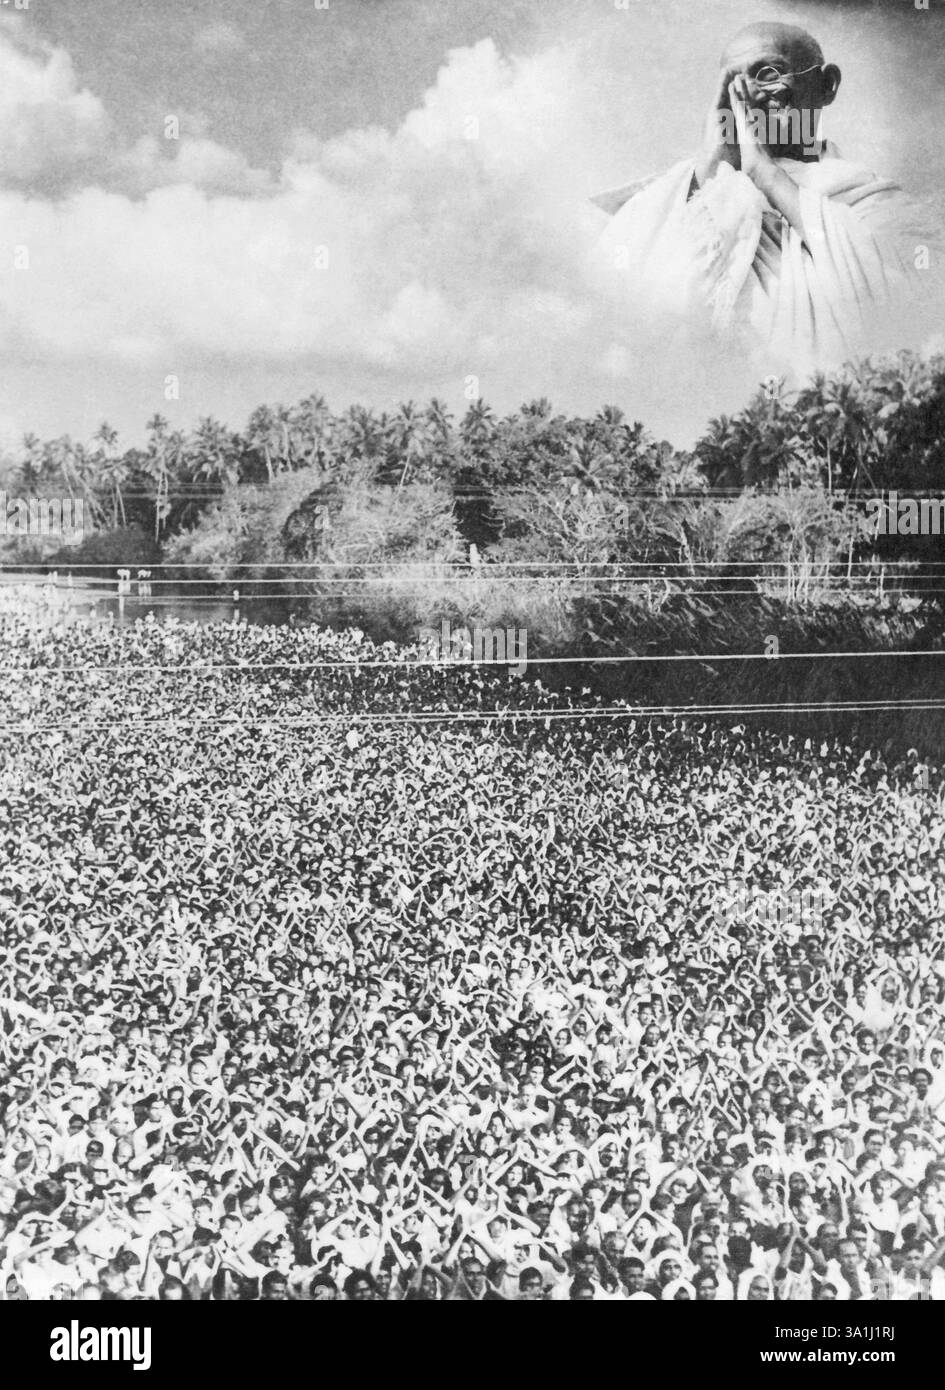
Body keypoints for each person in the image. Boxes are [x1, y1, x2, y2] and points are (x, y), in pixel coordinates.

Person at [594, 21, 923, 366]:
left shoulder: (867, 197)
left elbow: (904, 299)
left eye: (769, 73)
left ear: (827, 85)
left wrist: (768, 176)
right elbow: (624, 305)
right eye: (734, 82)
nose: (749, 95)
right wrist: (712, 172)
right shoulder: (677, 194)